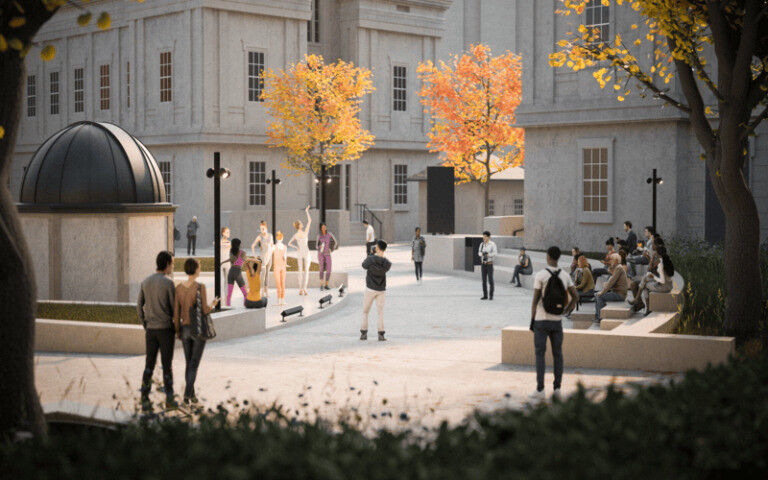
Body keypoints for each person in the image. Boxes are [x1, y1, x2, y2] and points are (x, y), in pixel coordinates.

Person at [529, 246, 578, 401]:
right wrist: (565, 310)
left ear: (548, 256)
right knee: (558, 355)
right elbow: (575, 297)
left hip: (541, 321)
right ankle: (557, 389)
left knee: (540, 355)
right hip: (557, 322)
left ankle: (540, 390)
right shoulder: (564, 275)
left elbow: (535, 299)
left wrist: (532, 319)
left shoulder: (541, 275)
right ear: (558, 257)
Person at [173, 258, 220, 403]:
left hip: (185, 328)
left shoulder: (179, 288)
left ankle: (191, 396)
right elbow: (204, 310)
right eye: (199, 266)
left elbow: (176, 313)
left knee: (189, 363)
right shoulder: (200, 287)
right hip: (198, 330)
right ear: (195, 269)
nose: (200, 268)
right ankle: (187, 395)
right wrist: (213, 304)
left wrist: (178, 331)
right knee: (194, 364)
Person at [137, 251, 176, 410]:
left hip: (151, 330)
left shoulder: (146, 282)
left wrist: (145, 323)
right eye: (172, 263)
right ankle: (169, 399)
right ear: (167, 263)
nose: (172, 266)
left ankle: (144, 397)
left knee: (149, 364)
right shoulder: (168, 283)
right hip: (166, 330)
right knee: (167, 365)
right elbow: (175, 308)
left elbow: (139, 306)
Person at [361, 240, 392, 341]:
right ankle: (381, 334)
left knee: (365, 312)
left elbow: (364, 265)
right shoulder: (387, 263)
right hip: (381, 289)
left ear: (377, 248)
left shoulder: (371, 259)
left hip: (370, 288)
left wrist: (370, 254)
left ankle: (363, 333)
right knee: (380, 313)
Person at [629, 246, 675, 315]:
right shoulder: (667, 261)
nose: (654, 253)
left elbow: (662, 281)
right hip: (669, 286)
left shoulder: (661, 264)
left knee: (645, 285)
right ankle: (639, 302)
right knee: (646, 279)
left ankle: (642, 304)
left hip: (663, 287)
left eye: (656, 252)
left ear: (659, 254)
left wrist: (653, 276)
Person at [594, 256, 628, 324]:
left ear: (616, 260)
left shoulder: (619, 268)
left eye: (611, 260)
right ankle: (598, 315)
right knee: (596, 294)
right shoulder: (617, 268)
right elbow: (609, 283)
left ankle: (601, 317)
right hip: (617, 293)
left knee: (599, 296)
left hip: (620, 295)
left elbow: (611, 282)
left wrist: (602, 292)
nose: (610, 261)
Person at [288, 205, 312, 296]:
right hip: (305, 251)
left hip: (300, 251)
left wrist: (296, 247)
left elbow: (289, 243)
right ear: (300, 226)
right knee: (306, 271)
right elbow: (310, 221)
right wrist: (307, 211)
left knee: (300, 270)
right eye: (301, 223)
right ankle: (304, 289)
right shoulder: (305, 232)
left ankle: (301, 289)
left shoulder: (296, 235)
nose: (303, 224)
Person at [223, 238, 248, 307]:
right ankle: (245, 306)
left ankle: (228, 306)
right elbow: (246, 262)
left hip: (231, 272)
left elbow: (231, 259)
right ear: (239, 245)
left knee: (229, 293)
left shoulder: (231, 252)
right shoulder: (243, 252)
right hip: (237, 273)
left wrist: (222, 262)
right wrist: (251, 270)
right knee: (245, 293)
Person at [251, 221, 274, 298]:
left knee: (267, 274)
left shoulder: (270, 236)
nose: (262, 230)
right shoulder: (259, 237)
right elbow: (253, 246)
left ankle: (266, 292)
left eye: (263, 228)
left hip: (269, 257)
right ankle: (261, 292)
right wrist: (255, 257)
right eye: (260, 228)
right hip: (263, 257)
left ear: (266, 228)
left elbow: (272, 246)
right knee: (263, 275)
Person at [316, 223, 338, 291]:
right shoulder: (319, 236)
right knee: (321, 269)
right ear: (320, 228)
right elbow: (316, 246)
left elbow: (336, 242)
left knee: (329, 269)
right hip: (321, 254)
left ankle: (326, 285)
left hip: (328, 254)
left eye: (324, 227)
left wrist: (331, 249)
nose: (324, 228)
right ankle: (321, 285)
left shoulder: (329, 234)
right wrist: (320, 247)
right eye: (322, 227)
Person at [478, 231, 497, 300]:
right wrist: (482, 254)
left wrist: (488, 255)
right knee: (484, 280)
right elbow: (479, 252)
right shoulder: (482, 244)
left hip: (489, 264)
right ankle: (485, 295)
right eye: (483, 236)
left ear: (489, 237)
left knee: (490, 280)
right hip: (483, 264)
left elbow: (495, 253)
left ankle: (491, 295)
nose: (484, 237)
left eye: (485, 236)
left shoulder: (492, 244)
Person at [273, 231, 288, 306]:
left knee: (282, 283)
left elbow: (285, 257)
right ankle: (280, 300)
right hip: (278, 267)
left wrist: (286, 264)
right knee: (279, 284)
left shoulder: (284, 247)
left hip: (282, 266)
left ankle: (281, 299)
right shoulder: (274, 247)